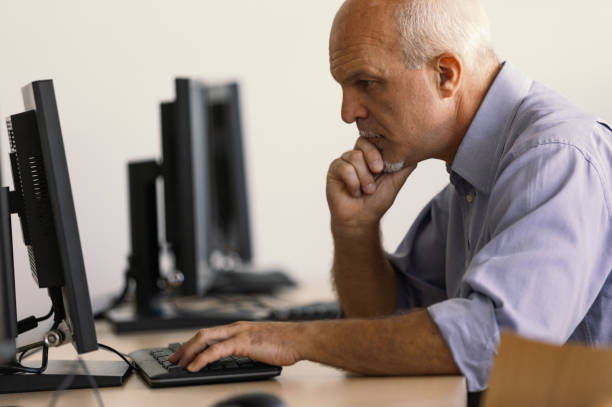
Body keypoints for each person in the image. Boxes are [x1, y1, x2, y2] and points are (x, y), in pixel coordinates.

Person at [170, 0, 612, 391]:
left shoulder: (553, 158)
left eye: (367, 82)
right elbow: (388, 324)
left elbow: (495, 340)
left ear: (446, 74)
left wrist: (293, 338)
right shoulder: (477, 172)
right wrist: (356, 228)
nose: (348, 112)